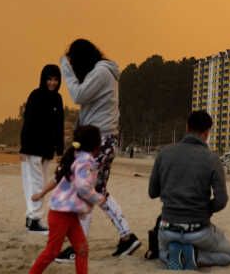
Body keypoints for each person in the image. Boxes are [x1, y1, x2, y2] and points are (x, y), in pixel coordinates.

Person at [58, 39, 140, 260]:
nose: (73, 67)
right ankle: (127, 237)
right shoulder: (104, 72)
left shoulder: (101, 72)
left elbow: (77, 96)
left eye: (74, 63)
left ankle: (79, 247)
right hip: (101, 139)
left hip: (99, 141)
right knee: (98, 191)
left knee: (85, 191)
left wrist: (64, 67)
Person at [147, 110, 230, 268]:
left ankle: (174, 254)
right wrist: (205, 209)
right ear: (207, 132)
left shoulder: (164, 153)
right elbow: (222, 200)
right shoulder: (212, 159)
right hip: (198, 230)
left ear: (187, 127)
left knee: (161, 253)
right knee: (228, 254)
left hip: (168, 229)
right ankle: (195, 255)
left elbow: (152, 192)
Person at [27, 125, 105, 274]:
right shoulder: (85, 162)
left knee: (82, 249)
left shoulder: (75, 156)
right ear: (96, 144)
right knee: (52, 251)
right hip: (61, 215)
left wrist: (41, 194)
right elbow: (83, 187)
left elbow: (57, 178)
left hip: (69, 214)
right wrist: (99, 199)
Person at [20, 63, 65, 234]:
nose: (52, 83)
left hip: (47, 150)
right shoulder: (35, 95)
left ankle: (32, 217)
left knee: (40, 183)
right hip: (32, 149)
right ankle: (34, 219)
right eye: (49, 79)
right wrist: (24, 147)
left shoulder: (58, 99)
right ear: (43, 79)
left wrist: (60, 151)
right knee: (34, 183)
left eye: (55, 80)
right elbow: (28, 122)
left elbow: (59, 126)